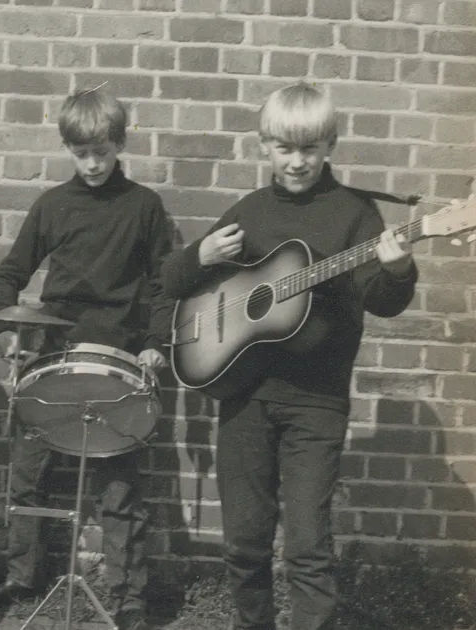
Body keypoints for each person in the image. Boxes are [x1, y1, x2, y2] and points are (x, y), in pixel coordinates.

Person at [156, 82, 417, 630]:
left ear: (330, 146)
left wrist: (397, 269)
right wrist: (199, 255)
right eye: (284, 148)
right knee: (244, 542)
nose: (297, 162)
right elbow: (173, 285)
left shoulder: (355, 215)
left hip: (317, 404)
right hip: (245, 398)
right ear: (263, 146)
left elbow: (384, 301)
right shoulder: (249, 211)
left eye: (310, 149)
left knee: (307, 546)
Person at [0, 88, 175, 630]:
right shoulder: (53, 205)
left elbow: (165, 285)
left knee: (119, 486)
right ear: (68, 149)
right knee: (29, 473)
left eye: (101, 152)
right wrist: (4, 330)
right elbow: (9, 275)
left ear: (120, 144)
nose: (92, 164)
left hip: (118, 359)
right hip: (53, 355)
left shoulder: (144, 207)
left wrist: (155, 341)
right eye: (80, 154)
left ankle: (129, 596)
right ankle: (22, 577)